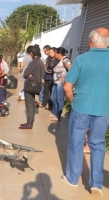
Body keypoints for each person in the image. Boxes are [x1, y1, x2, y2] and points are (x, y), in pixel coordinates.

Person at [62, 27, 109, 196]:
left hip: (81, 107)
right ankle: (96, 184)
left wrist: (73, 101)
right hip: (103, 110)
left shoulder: (81, 60)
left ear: (91, 42)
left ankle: (73, 178)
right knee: (98, 144)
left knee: (76, 142)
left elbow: (67, 86)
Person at [19, 45, 44, 129]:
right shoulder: (40, 62)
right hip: (37, 85)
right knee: (31, 104)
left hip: (30, 85)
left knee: (29, 104)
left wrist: (30, 76)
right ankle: (29, 122)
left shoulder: (34, 62)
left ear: (32, 53)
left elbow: (25, 73)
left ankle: (29, 123)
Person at [50, 47, 68, 121]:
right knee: (53, 98)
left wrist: (65, 78)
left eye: (56, 53)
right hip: (55, 82)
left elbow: (71, 69)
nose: (55, 54)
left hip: (61, 83)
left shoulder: (65, 60)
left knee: (59, 99)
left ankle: (58, 115)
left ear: (59, 54)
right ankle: (55, 113)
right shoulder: (58, 61)